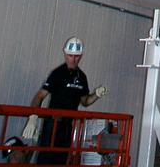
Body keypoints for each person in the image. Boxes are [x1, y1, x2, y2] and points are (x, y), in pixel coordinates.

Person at [30, 38, 108, 166]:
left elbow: (85, 101)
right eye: (70, 55)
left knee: (62, 159)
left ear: (81, 56)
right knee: (46, 160)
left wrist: (97, 94)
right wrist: (33, 117)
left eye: (77, 56)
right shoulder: (57, 74)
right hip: (53, 125)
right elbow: (39, 96)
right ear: (65, 55)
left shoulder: (82, 77)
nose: (73, 59)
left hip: (68, 126)